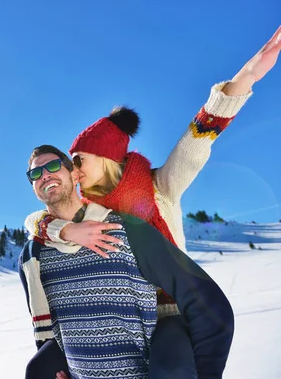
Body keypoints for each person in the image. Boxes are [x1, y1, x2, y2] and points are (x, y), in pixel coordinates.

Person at [24, 25, 281, 377]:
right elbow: (40, 220)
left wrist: (246, 77)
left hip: (171, 313)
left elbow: (198, 139)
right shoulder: (86, 214)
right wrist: (62, 230)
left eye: (77, 160)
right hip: (126, 317)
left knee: (170, 366)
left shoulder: (159, 185)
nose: (74, 169)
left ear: (106, 157)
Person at [19, 145, 234, 379]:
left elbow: (206, 302)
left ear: (74, 174)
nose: (45, 175)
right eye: (35, 173)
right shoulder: (34, 254)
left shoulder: (125, 230)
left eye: (52, 166)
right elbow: (46, 332)